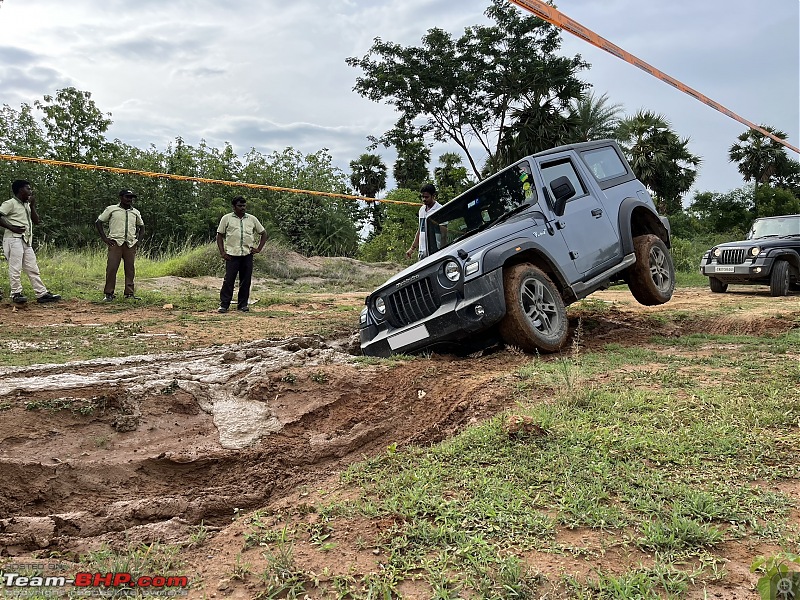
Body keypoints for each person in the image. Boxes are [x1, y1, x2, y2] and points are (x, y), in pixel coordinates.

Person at [0, 180, 61, 304]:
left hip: (26, 240)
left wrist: (32, 206)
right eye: (28, 189)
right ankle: (16, 293)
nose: (30, 191)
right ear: (20, 190)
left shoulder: (27, 205)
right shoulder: (10, 203)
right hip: (13, 238)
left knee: (32, 267)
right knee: (15, 268)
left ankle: (41, 293)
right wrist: (12, 227)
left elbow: (36, 221)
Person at [216, 196, 267, 313]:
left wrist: (258, 248)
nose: (242, 208)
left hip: (247, 255)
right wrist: (222, 252)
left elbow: (263, 233)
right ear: (233, 207)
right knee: (229, 280)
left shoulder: (252, 219)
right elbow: (219, 235)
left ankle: (242, 305)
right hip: (232, 255)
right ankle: (224, 305)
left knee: (246, 280)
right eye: (240, 206)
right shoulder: (226, 218)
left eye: (244, 206)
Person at [95, 189, 145, 302]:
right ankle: (109, 293)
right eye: (127, 197)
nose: (129, 199)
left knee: (130, 269)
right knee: (112, 268)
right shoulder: (112, 209)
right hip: (115, 243)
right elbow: (98, 222)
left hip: (130, 244)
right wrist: (105, 238)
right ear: (121, 197)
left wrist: (139, 241)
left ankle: (129, 293)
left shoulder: (135, 212)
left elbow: (142, 226)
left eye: (131, 197)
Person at [406, 183, 442, 260]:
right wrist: (412, 248)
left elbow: (444, 233)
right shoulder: (422, 210)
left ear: (433, 196)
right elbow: (420, 229)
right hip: (422, 251)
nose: (424, 199)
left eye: (426, 197)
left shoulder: (439, 209)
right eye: (422, 197)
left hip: (435, 251)